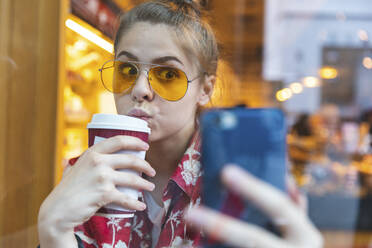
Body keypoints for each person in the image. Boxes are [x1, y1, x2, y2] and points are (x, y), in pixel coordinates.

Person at [37, 0, 323, 247]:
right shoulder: (90, 173)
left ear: (206, 89)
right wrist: (53, 234)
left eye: (168, 75)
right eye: (127, 69)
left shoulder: (234, 182)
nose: (140, 89)